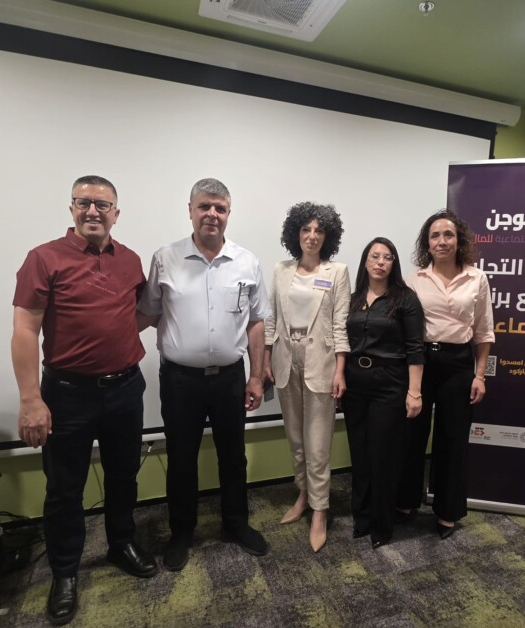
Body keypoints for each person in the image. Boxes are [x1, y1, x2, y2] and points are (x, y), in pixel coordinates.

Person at [11, 175, 157, 627]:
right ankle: (65, 572)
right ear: (72, 208)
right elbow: (24, 330)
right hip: (67, 395)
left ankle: (121, 544)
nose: (93, 211)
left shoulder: (130, 260)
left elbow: (136, 314)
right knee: (64, 488)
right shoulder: (44, 258)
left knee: (124, 475)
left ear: (116, 213)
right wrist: (30, 399)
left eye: (102, 204)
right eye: (84, 202)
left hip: (125, 389)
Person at [137, 178, 271, 572]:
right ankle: (181, 533)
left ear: (228, 213)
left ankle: (235, 524)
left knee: (233, 456)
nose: (212, 214)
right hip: (181, 381)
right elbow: (147, 313)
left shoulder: (247, 262)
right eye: (204, 206)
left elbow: (257, 322)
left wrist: (256, 376)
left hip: (230, 378)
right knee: (181, 458)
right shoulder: (166, 259)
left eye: (220, 208)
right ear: (191, 210)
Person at [396, 209, 494, 539]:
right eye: (435, 236)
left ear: (459, 239)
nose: (442, 241)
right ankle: (406, 501)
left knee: (453, 440)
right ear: (427, 243)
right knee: (412, 435)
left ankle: (447, 511)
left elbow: (484, 332)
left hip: (459, 365)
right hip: (420, 363)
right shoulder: (414, 280)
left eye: (448, 234)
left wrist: (480, 375)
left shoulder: (477, 278)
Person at [263, 202, 350, 553]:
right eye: (305, 229)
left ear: (328, 237)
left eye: (319, 230)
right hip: (286, 359)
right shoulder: (281, 270)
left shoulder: (337, 272)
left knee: (317, 443)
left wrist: (341, 370)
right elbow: (271, 319)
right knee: (296, 438)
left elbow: (340, 324)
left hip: (321, 363)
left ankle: (320, 509)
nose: (312, 236)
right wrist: (266, 360)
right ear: (295, 233)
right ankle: (303, 494)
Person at [342, 237, 424, 549]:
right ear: (365, 261)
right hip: (355, 383)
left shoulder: (405, 299)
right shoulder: (352, 299)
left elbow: (415, 348)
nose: (380, 262)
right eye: (374, 256)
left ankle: (381, 524)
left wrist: (414, 392)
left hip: (389, 383)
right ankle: (362, 517)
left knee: (382, 455)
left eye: (387, 257)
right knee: (359, 453)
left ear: (394, 264)